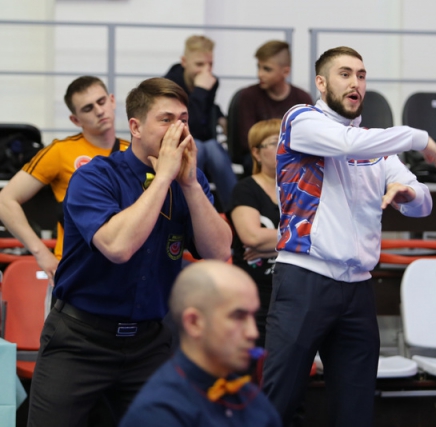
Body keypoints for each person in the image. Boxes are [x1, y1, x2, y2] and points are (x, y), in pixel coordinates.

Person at [262, 46, 436, 427]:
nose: (356, 83)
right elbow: (346, 144)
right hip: (305, 279)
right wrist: (418, 137)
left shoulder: (376, 144)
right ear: (321, 83)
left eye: (362, 75)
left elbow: (424, 203)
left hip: (357, 288)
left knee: (356, 410)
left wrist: (408, 194)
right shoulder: (302, 119)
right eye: (345, 74)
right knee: (279, 402)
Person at [27, 77, 232, 427]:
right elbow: (118, 248)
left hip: (149, 343)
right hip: (79, 340)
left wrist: (189, 185)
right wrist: (163, 178)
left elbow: (219, 252)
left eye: (183, 119)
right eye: (166, 120)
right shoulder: (95, 177)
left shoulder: (189, 181)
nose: (179, 130)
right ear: (135, 127)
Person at [119, 260, 281, 427]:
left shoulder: (252, 399)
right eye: (238, 317)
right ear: (194, 323)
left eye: (253, 317)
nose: (253, 332)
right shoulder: (158, 412)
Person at [0, 75, 129, 284]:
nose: (99, 111)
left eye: (101, 101)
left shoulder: (134, 152)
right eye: (88, 108)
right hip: (75, 269)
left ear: (112, 101)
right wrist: (41, 253)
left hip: (125, 270)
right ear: (75, 120)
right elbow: (5, 200)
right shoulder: (60, 151)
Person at [165, 34, 237, 211]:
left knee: (211, 147)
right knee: (202, 147)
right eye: (199, 64)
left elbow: (208, 107)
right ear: (184, 62)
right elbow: (188, 123)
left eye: (210, 64)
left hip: (204, 143)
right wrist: (200, 90)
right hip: (178, 143)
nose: (206, 70)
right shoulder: (170, 84)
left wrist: (220, 117)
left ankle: (236, 210)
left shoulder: (211, 81)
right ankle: (193, 209)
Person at [229, 118, 280, 348]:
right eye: (275, 142)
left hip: (292, 292)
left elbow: (322, 235)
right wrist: (301, 240)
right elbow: (252, 237)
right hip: (254, 295)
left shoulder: (302, 188)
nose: (283, 147)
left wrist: (274, 246)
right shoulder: (245, 189)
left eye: (287, 141)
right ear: (256, 153)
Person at [235, 40, 313, 176]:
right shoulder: (248, 96)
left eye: (267, 69)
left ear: (285, 71)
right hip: (259, 157)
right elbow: (248, 141)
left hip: (294, 158)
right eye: (259, 67)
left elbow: (308, 138)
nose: (260, 74)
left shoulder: (302, 99)